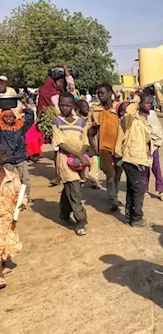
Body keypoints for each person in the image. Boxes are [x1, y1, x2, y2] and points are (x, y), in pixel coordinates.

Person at [52, 93, 90, 236]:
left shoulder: (80, 122)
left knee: (71, 187)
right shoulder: (57, 121)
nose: (64, 107)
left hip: (79, 161)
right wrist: (78, 155)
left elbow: (85, 141)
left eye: (67, 105)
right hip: (65, 159)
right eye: (61, 104)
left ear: (73, 106)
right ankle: (81, 221)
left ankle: (64, 212)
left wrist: (80, 156)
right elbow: (60, 142)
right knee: (74, 189)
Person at [121, 92, 154, 227]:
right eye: (147, 103)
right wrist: (136, 99)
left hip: (139, 159)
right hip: (130, 158)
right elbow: (128, 111)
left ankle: (129, 216)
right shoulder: (131, 120)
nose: (150, 105)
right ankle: (137, 218)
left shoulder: (143, 121)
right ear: (139, 105)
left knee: (131, 188)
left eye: (151, 103)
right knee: (139, 189)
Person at [91, 83, 124, 212]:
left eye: (102, 93)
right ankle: (113, 199)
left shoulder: (118, 110)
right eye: (98, 93)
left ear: (110, 94)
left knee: (118, 172)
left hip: (119, 146)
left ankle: (113, 194)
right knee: (109, 174)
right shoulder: (96, 111)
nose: (100, 96)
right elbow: (90, 128)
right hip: (103, 146)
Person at [0, 146, 26, 289]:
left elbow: (19, 193)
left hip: (8, 218)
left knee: (6, 244)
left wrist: (22, 202)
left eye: (4, 155)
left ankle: (2, 265)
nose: (4, 157)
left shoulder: (12, 177)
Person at [0, 107, 35, 201]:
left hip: (20, 157)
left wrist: (25, 109)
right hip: (7, 158)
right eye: (5, 116)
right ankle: (8, 196)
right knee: (7, 180)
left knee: (25, 179)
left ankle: (26, 196)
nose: (8, 119)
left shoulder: (20, 126)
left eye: (11, 116)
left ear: (14, 116)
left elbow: (30, 118)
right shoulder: (1, 128)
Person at [143, 105, 163, 201]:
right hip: (143, 145)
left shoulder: (153, 114)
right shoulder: (138, 116)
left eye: (150, 103)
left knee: (156, 167)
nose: (148, 105)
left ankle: (161, 190)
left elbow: (158, 129)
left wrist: (158, 140)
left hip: (154, 145)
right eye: (146, 103)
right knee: (145, 169)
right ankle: (145, 189)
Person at [75, 99, 100, 190]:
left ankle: (93, 180)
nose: (87, 109)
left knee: (95, 162)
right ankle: (81, 178)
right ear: (78, 109)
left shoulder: (91, 117)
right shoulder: (76, 119)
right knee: (82, 163)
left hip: (91, 144)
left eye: (88, 107)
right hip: (81, 145)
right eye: (84, 107)